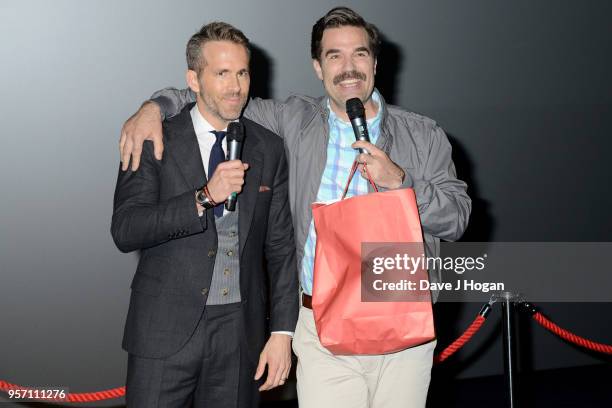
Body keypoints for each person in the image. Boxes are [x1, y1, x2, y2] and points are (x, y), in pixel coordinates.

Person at [119, 7, 471, 408]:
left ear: (374, 61)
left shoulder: (422, 134)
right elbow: (219, 97)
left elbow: (457, 218)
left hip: (400, 325)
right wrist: (153, 107)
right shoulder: (291, 119)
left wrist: (401, 182)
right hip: (320, 327)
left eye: (359, 54)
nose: (348, 67)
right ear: (318, 68)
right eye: (334, 56)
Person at [111, 21, 298, 408]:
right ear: (193, 80)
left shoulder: (268, 147)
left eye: (243, 72)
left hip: (239, 335)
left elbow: (280, 249)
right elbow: (126, 229)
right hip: (163, 331)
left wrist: (282, 332)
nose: (236, 86)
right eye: (222, 73)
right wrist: (203, 197)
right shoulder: (153, 136)